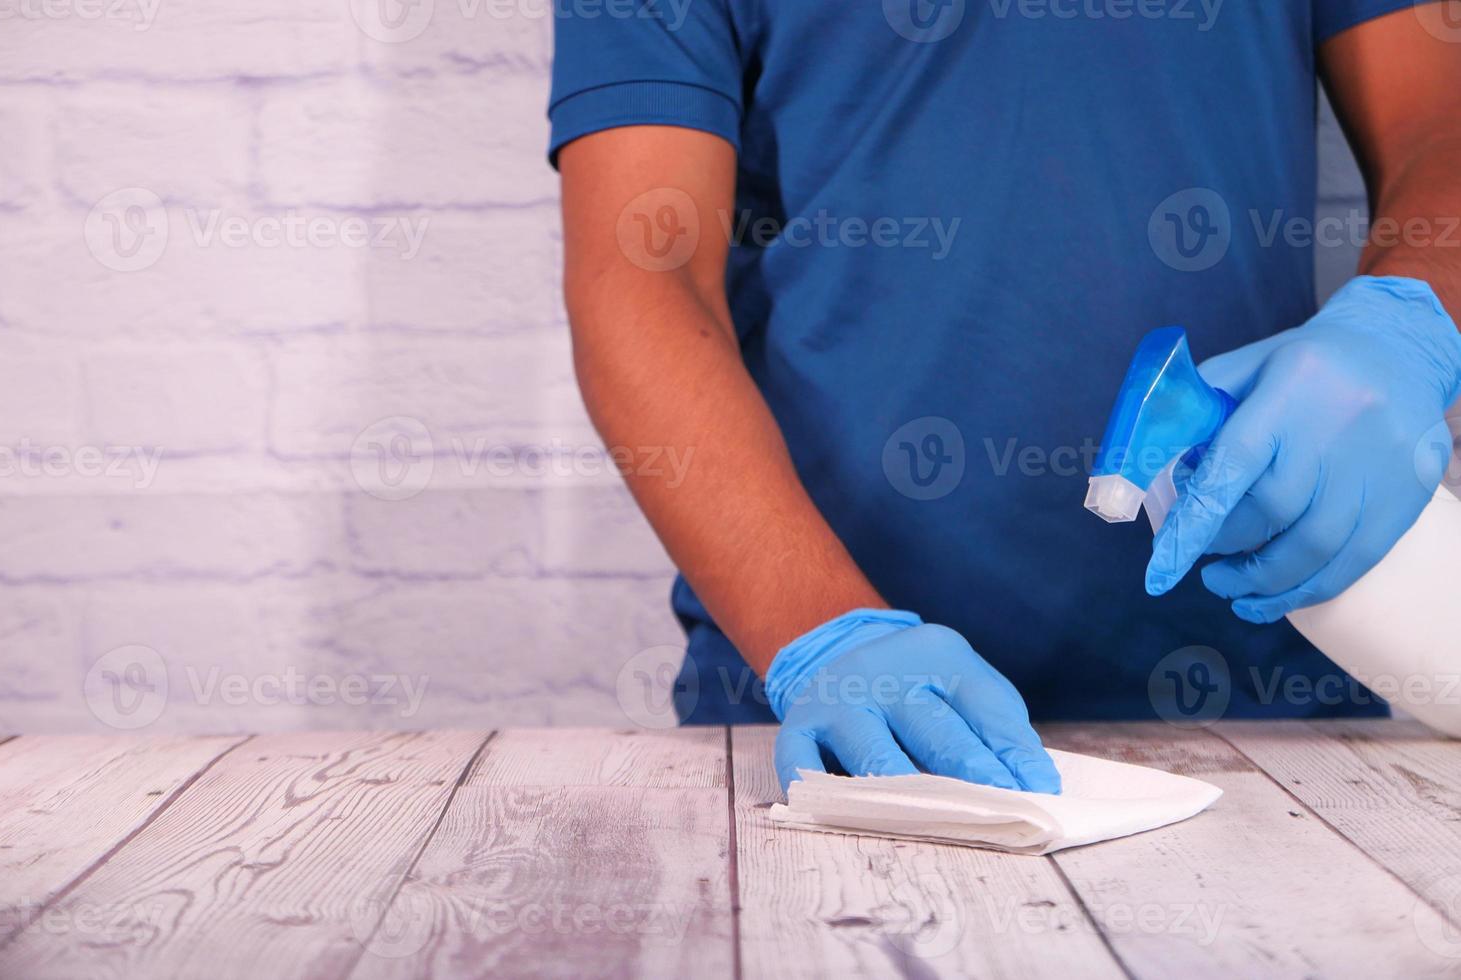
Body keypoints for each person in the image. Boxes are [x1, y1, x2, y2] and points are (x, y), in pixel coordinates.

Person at [548, 0, 1461, 793]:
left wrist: (1404, 324)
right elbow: (643, 279)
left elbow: (1440, 130)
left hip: (1279, 721)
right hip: (825, 734)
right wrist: (823, 636)